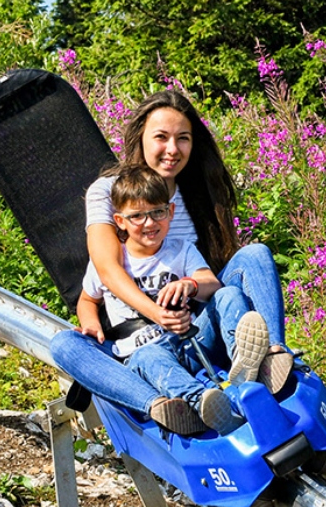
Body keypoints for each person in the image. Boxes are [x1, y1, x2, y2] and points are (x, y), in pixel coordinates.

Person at [83, 90, 296, 393]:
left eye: (183, 138)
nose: (172, 149)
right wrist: (158, 315)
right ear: (140, 137)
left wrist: (192, 288)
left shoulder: (194, 191)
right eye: (161, 137)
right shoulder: (107, 191)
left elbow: (212, 279)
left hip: (199, 321)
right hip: (151, 333)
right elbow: (106, 270)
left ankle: (273, 356)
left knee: (255, 254)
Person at [72, 166, 267, 436]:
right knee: (148, 356)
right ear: (120, 221)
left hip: (191, 342)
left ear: (170, 212)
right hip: (147, 352)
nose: (149, 223)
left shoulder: (180, 250)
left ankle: (244, 366)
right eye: (137, 216)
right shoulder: (109, 263)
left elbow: (212, 285)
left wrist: (190, 284)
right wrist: (91, 322)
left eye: (157, 213)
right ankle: (203, 403)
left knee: (228, 294)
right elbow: (86, 300)